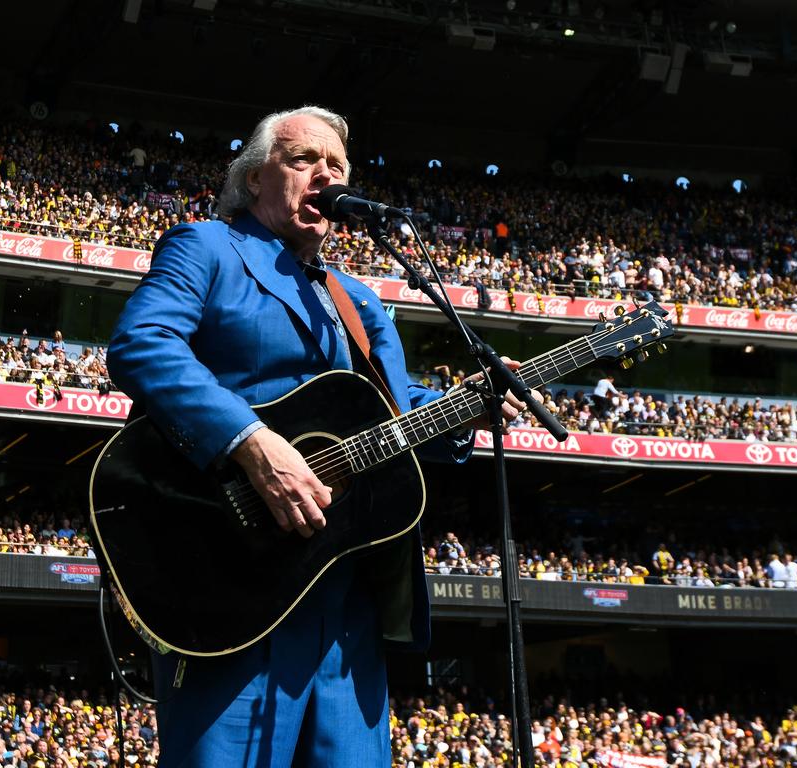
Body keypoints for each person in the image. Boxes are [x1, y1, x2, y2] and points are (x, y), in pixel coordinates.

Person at [107, 106, 523, 767]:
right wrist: (248, 439)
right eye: (303, 160)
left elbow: (397, 409)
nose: (324, 173)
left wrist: (465, 412)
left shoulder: (357, 299)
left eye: (336, 165)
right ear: (252, 180)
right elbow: (142, 343)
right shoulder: (206, 246)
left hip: (346, 589)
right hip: (232, 576)